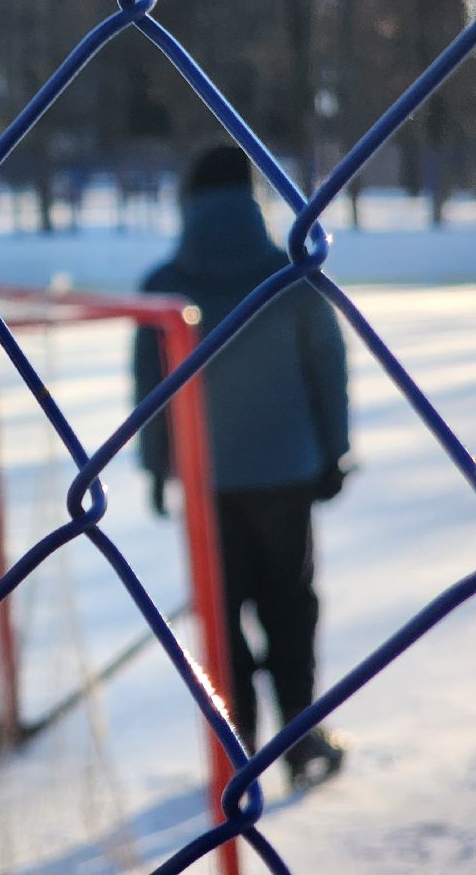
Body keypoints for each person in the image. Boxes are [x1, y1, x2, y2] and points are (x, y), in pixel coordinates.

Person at [133, 144, 350, 788]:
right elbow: (327, 369)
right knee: (290, 604)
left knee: (221, 614)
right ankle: (300, 737)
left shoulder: (164, 285)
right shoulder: (291, 275)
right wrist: (332, 453)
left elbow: (151, 389)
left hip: (207, 482)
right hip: (286, 473)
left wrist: (155, 467)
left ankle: (235, 751)